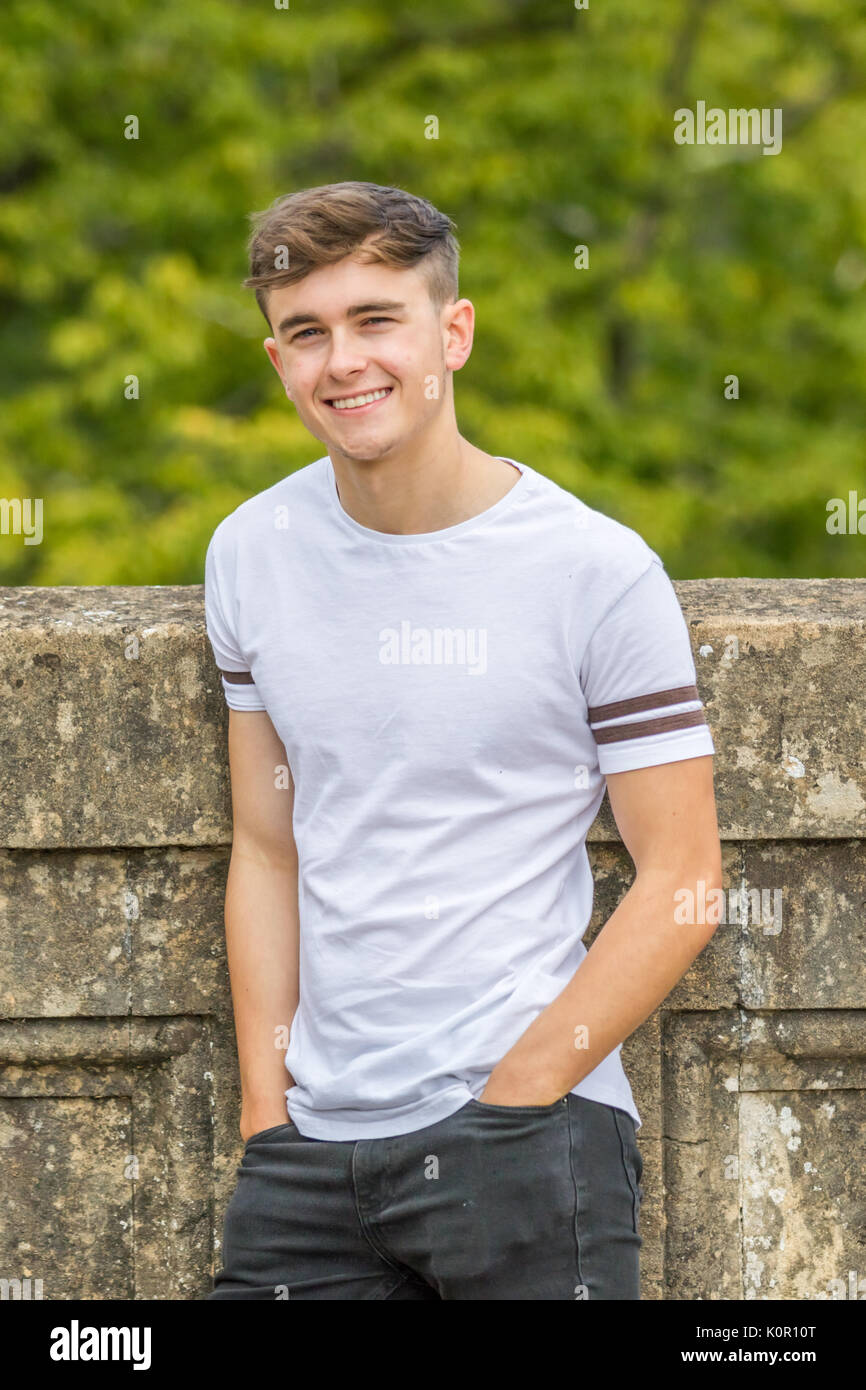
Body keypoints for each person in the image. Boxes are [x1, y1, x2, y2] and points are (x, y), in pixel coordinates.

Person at [203, 181, 722, 1300]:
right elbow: (267, 846)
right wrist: (267, 1115)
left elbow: (683, 879)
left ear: (453, 331)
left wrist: (522, 1090)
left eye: (375, 319)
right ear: (278, 360)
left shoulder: (593, 570)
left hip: (524, 1141)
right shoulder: (252, 553)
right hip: (308, 1163)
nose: (341, 361)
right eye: (307, 332)